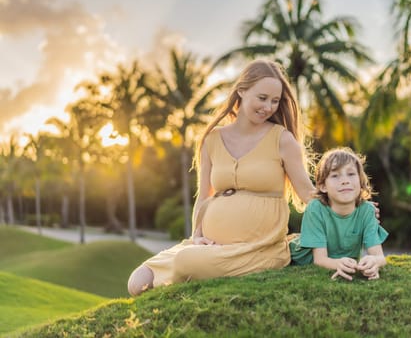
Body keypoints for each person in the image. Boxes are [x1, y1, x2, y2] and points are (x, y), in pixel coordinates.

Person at [127, 59, 316, 296]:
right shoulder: (212, 139)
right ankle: (194, 262)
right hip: (210, 247)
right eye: (262, 98)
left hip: (258, 249)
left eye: (275, 101)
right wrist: (196, 236)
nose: (268, 107)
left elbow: (308, 194)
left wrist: (352, 207)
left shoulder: (283, 140)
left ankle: (189, 272)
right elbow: (203, 196)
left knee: (186, 262)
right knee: (137, 282)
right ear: (242, 91)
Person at [289, 147, 388, 281]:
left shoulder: (367, 211)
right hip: (297, 258)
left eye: (351, 174)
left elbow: (380, 257)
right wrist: (337, 264)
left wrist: (373, 262)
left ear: (360, 181)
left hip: (339, 260)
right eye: (335, 175)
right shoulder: (315, 208)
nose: (345, 180)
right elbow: (320, 260)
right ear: (323, 186)